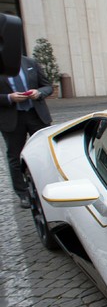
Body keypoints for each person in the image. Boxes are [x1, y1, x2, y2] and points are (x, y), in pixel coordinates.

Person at [0, 55, 53, 208]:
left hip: (36, 115)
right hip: (12, 118)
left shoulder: (29, 62)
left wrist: (39, 93)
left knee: (45, 153)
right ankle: (23, 194)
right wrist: (9, 98)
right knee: (15, 157)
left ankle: (48, 187)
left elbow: (47, 86)